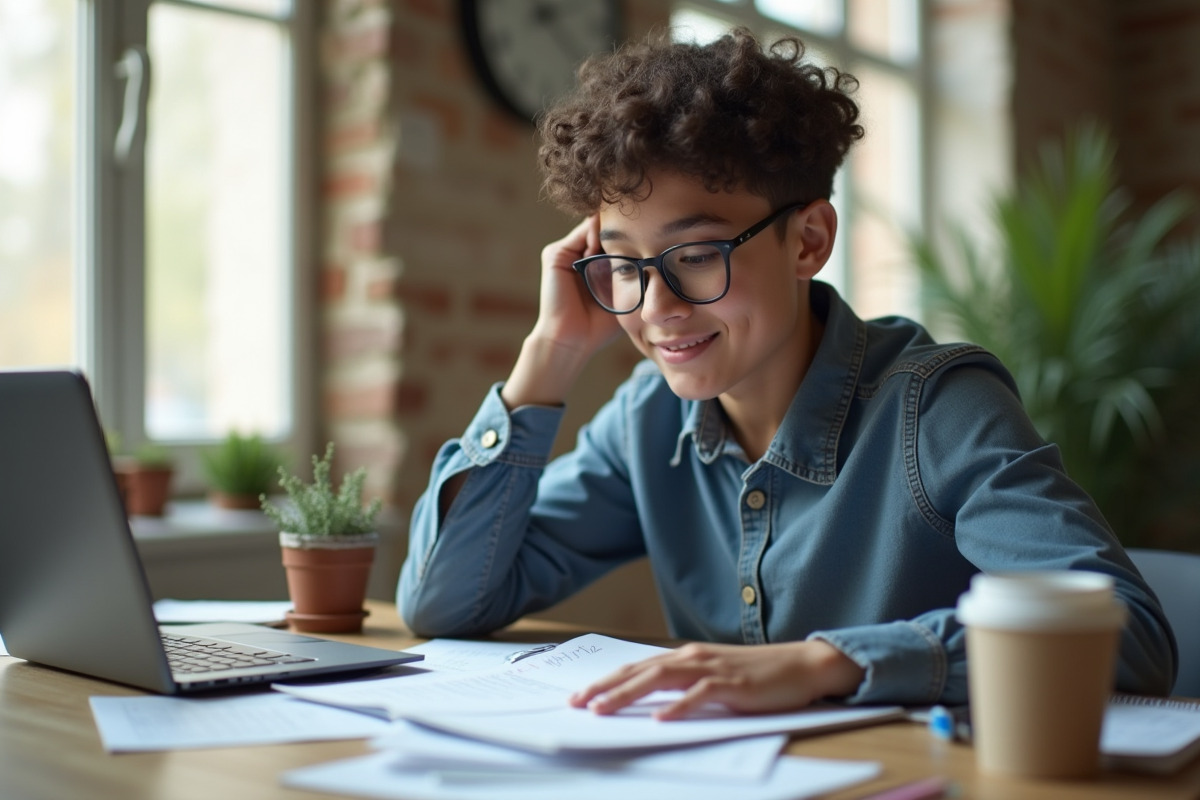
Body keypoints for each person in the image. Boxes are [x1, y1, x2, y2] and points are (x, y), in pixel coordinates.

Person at [397, 28, 1175, 719]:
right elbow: (446, 602)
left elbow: (1126, 630)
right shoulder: (647, 422)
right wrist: (551, 354)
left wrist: (822, 663)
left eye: (697, 255)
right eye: (625, 264)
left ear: (807, 241)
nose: (656, 305)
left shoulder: (935, 406)